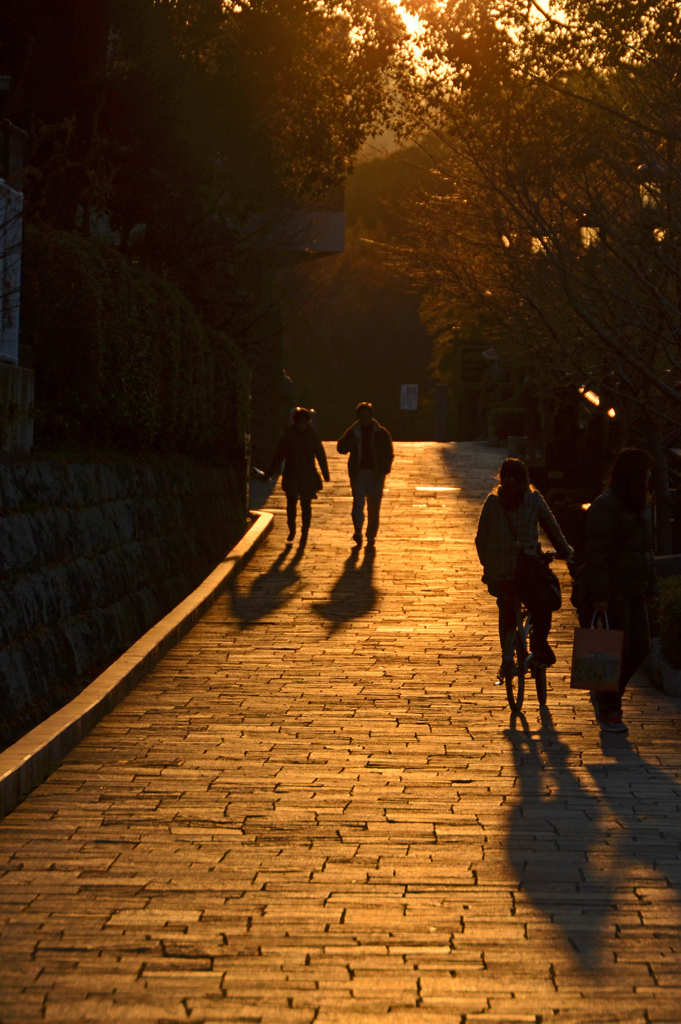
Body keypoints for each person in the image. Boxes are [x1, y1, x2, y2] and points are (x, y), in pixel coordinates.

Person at [577, 448, 656, 734]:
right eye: (646, 470)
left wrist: (652, 585)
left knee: (640, 647)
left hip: (636, 587)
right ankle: (611, 709)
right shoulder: (606, 506)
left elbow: (648, 549)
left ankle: (605, 694)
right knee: (616, 649)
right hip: (613, 589)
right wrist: (600, 595)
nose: (650, 475)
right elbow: (596, 552)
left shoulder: (644, 505)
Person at [475, 457, 574, 674]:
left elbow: (481, 539)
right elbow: (553, 530)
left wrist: (489, 565)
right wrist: (567, 554)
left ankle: (507, 656)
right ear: (526, 478)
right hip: (527, 574)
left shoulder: (492, 503)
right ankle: (539, 646)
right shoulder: (533, 500)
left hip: (499, 576)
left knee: (506, 606)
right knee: (543, 601)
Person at [266, 407, 330, 544]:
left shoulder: (312, 436)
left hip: (307, 475)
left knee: (306, 505)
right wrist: (269, 473)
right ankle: (292, 528)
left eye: (304, 422)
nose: (301, 425)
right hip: (291, 474)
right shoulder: (289, 435)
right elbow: (279, 455)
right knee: (291, 504)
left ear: (308, 422)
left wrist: (325, 473)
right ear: (295, 422)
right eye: (299, 422)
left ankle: (305, 530)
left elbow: (320, 455)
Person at [337, 402, 394, 548]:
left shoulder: (381, 433)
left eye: (366, 416)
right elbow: (340, 447)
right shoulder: (353, 431)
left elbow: (389, 453)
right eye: (361, 416)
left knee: (374, 507)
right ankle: (358, 531)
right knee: (358, 503)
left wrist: (384, 469)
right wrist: (351, 443)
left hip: (375, 474)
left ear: (371, 416)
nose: (364, 419)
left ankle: (371, 535)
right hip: (358, 473)